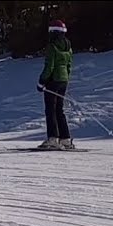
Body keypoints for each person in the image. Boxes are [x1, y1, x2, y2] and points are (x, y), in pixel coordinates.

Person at [37, 20, 74, 150]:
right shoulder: (68, 47)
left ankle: (53, 138)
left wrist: (41, 81)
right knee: (59, 109)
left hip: (52, 80)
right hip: (63, 81)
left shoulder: (52, 47)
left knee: (50, 110)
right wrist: (65, 79)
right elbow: (69, 66)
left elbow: (49, 66)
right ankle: (65, 139)